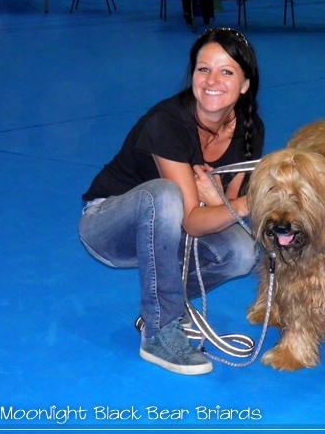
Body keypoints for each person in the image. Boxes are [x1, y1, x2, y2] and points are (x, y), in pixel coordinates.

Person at [79, 28, 264, 376]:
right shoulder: (167, 122)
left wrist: (222, 200)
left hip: (167, 234)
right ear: (192, 74)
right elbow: (196, 219)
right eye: (202, 69)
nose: (212, 80)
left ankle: (158, 307)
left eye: (227, 72)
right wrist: (239, 203)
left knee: (242, 253)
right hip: (108, 225)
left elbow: (228, 212)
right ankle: (159, 332)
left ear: (244, 84)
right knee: (164, 194)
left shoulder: (251, 128)